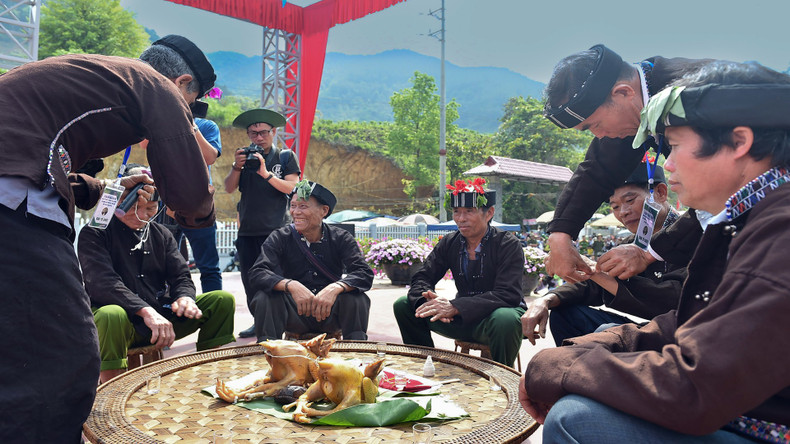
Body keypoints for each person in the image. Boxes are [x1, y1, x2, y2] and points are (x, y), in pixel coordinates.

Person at [520, 61, 790, 442]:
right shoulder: (745, 218)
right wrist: (582, 351)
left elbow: (697, 386)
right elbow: (688, 321)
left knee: (573, 417)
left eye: (675, 145)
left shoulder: (777, 232)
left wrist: (567, 370)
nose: (668, 164)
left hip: (769, 424)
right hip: (738, 399)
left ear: (740, 142)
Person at [0, 34, 216, 442]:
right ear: (184, 83)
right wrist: (198, 215)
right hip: (15, 203)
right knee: (63, 356)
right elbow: (189, 194)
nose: (188, 114)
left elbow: (64, 176)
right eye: (193, 105)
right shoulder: (155, 85)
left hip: (15, 188)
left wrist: (110, 190)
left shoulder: (95, 76)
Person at [542, 44, 711, 284]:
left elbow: (724, 197)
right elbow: (598, 168)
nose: (598, 136)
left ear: (623, 93)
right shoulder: (636, 105)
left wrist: (648, 252)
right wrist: (560, 234)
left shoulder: (698, 94)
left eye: (595, 125)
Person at [78, 165, 235, 383]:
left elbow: (180, 275)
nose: (142, 216)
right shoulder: (95, 233)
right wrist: (146, 312)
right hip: (121, 326)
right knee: (110, 314)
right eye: (134, 208)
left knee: (221, 300)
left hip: (160, 319)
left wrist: (184, 298)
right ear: (118, 202)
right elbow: (103, 283)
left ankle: (207, 374)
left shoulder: (161, 234)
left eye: (150, 210)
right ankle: (111, 389)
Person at [522, 164, 685, 346]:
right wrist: (545, 300)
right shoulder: (631, 243)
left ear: (661, 193)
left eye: (630, 200)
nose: (623, 212)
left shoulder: (691, 233)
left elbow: (676, 300)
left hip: (686, 333)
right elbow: (595, 287)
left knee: (604, 334)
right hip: (649, 329)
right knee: (566, 315)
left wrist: (592, 268)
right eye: (615, 206)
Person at [393, 179, 525, 367]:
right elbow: (423, 277)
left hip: (493, 319)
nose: (461, 219)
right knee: (404, 305)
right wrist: (428, 302)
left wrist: (456, 306)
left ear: (489, 213)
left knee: (505, 318)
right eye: (456, 212)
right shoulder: (449, 242)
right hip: (460, 319)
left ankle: (503, 378)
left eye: (469, 211)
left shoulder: (507, 244)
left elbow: (508, 294)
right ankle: (423, 365)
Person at [248, 180, 373, 340]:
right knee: (264, 298)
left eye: (303, 206)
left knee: (357, 298)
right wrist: (290, 285)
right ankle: (269, 351)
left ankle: (355, 351)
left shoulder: (341, 238)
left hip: (329, 312)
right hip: (296, 312)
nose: (295, 212)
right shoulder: (280, 237)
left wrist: (335, 288)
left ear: (324, 211)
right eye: (293, 206)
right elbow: (257, 273)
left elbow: (364, 273)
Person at [225, 108, 301, 338]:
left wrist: (265, 173)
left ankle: (287, 322)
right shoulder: (245, 158)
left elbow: (292, 188)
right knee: (250, 280)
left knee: (280, 278)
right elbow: (229, 188)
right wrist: (237, 166)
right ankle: (259, 321)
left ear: (274, 132)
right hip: (248, 231)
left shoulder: (285, 157)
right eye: (253, 133)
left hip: (277, 231)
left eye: (263, 132)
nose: (258, 137)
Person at [182, 116, 224, 292]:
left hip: (199, 202)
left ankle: (215, 312)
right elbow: (144, 144)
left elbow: (210, 157)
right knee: (164, 263)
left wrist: (191, 125)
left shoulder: (207, 126)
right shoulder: (163, 118)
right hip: (166, 201)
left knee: (208, 266)